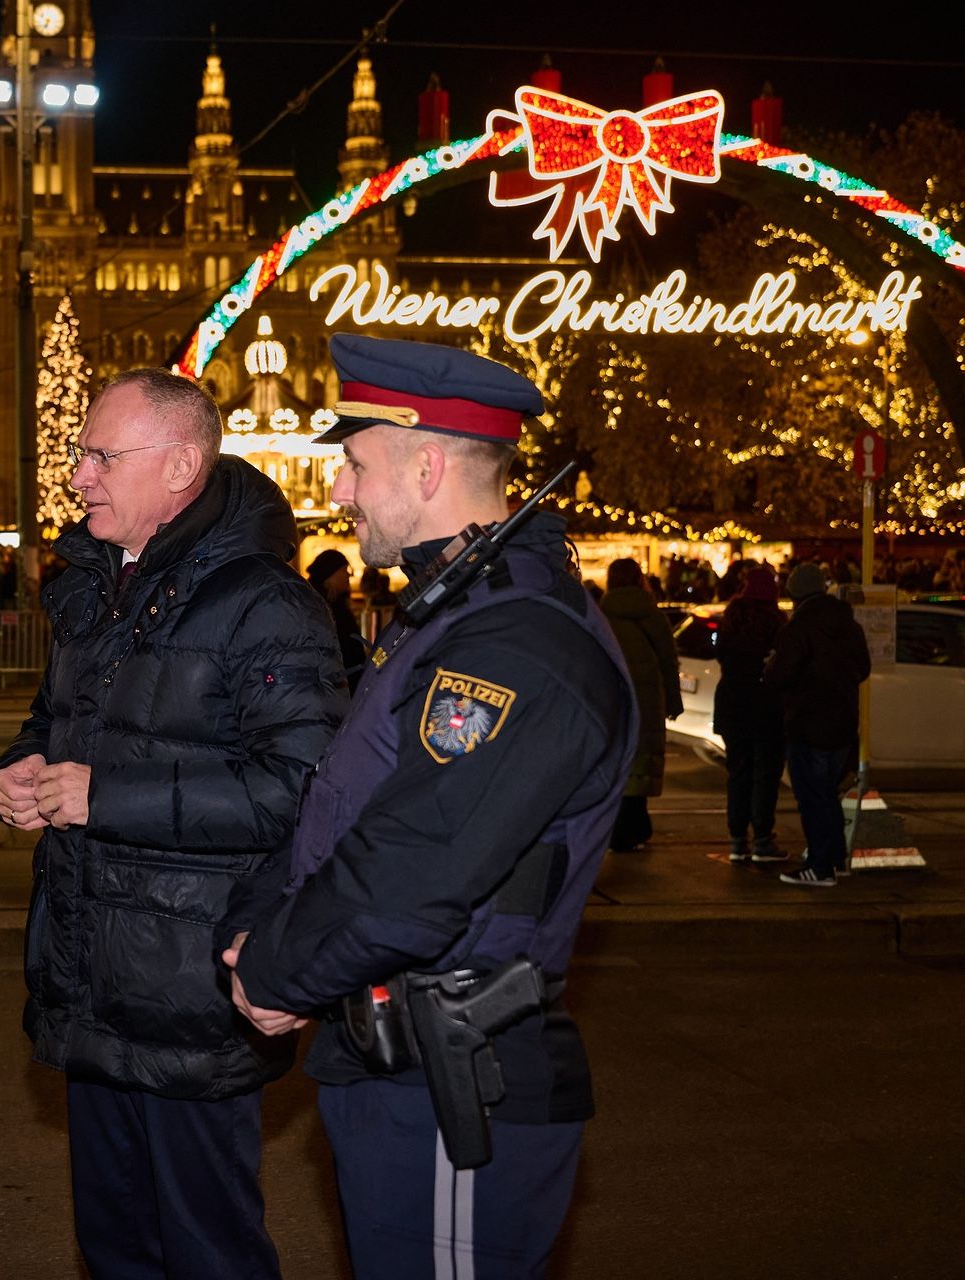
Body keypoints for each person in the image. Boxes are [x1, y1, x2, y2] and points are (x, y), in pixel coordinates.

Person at [227, 334, 635, 1278]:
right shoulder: (457, 616)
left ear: (427, 466)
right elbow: (347, 807)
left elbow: (413, 867)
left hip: (455, 1089)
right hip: (401, 1067)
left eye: (356, 464)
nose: (341, 490)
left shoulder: (515, 643)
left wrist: (279, 968)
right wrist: (264, 926)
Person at [0, 367, 345, 1279]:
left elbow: (302, 790)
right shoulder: (99, 587)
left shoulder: (265, 604)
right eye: (81, 455)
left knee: (207, 1251)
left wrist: (104, 796)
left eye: (101, 456)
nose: (79, 476)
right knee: (116, 1248)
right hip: (90, 980)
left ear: (180, 466)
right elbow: (55, 724)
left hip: (190, 995)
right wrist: (14, 774)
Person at [767, 563, 871, 886]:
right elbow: (863, 669)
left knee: (814, 797)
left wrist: (770, 668)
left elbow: (780, 675)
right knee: (827, 794)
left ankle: (821, 866)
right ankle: (833, 857)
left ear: (795, 594)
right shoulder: (849, 626)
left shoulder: (798, 629)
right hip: (842, 724)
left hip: (808, 723)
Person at [600, 558, 683, 851]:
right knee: (643, 761)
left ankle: (621, 828)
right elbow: (668, 660)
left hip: (614, 696)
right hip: (648, 697)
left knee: (618, 760)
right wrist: (673, 700)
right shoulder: (652, 614)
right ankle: (637, 824)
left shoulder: (601, 614)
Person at [715, 563, 789, 863]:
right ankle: (762, 837)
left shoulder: (731, 619)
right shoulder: (777, 623)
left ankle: (737, 839)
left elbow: (721, 655)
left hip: (732, 704)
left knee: (738, 773)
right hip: (766, 705)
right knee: (766, 774)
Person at [307, 547, 368, 689]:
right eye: (344, 570)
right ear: (329, 574)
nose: (349, 575)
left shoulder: (336, 603)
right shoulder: (321, 607)